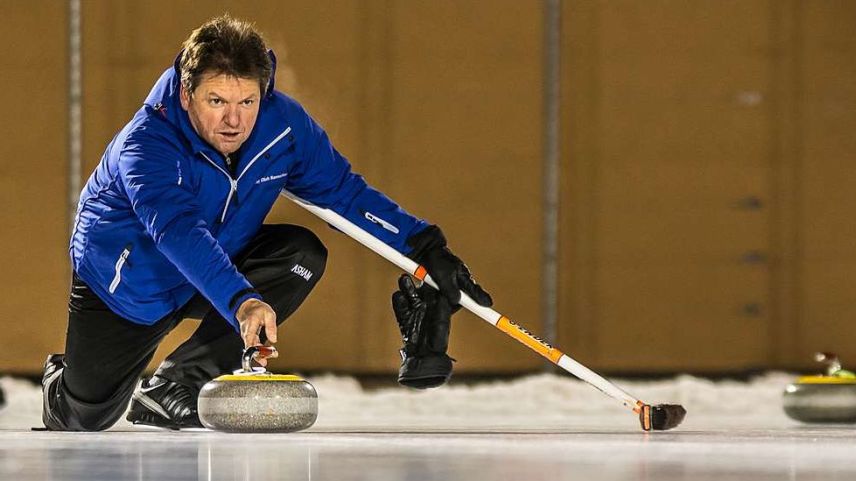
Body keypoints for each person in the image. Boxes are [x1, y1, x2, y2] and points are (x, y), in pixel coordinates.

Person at [41, 15, 491, 431]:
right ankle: (63, 383)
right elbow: (177, 231)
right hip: (130, 284)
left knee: (300, 255)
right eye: (216, 100)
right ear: (186, 92)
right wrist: (241, 301)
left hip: (219, 263)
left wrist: (425, 247)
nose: (234, 120)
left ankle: (179, 383)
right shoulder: (146, 145)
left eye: (247, 100)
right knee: (84, 418)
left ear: (264, 92)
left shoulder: (283, 127)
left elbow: (344, 195)